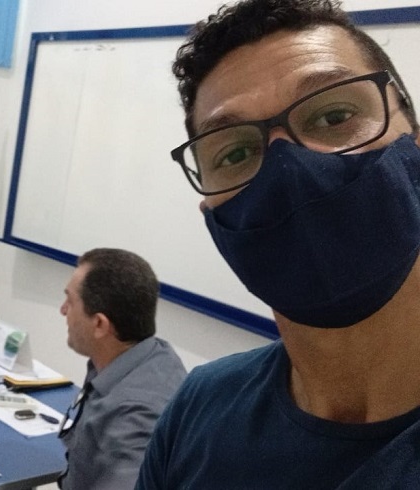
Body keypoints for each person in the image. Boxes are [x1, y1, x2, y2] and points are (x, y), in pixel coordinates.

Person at [135, 0, 420, 487]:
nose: (289, 168)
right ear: (212, 213)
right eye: (235, 152)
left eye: (334, 115)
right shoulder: (196, 410)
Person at [58, 248, 186, 490]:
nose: (63, 310)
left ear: (99, 324)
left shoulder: (137, 416)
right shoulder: (149, 355)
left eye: (70, 302)